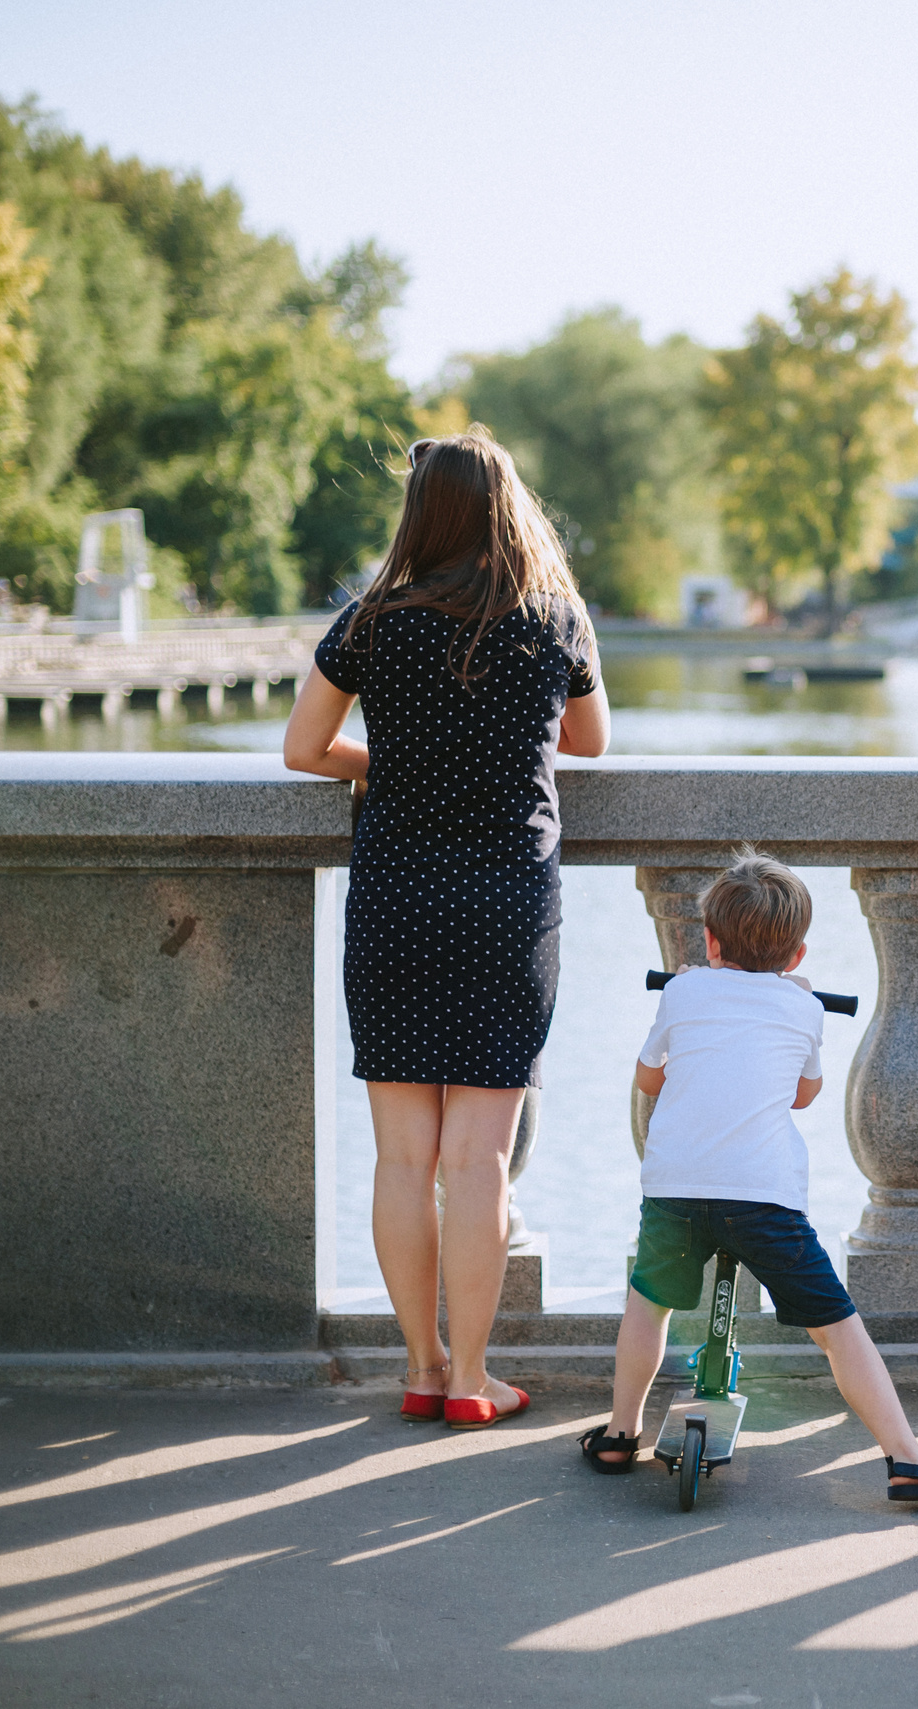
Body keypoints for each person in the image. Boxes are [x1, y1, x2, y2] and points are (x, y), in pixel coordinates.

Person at [284, 430, 611, 1428]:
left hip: (396, 897)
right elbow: (589, 741)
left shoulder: (373, 616)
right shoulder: (550, 614)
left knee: (401, 1158)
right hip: (507, 900)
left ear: (420, 512)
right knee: (477, 1160)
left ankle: (421, 1364)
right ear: (507, 507)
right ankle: (474, 1378)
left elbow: (304, 748)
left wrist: (387, 763)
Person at [577, 853, 918, 1503]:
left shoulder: (684, 990)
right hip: (763, 1199)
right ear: (797, 955)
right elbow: (804, 1094)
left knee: (649, 1302)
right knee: (836, 1325)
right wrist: (797, 1009)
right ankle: (908, 1458)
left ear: (709, 940)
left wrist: (690, 993)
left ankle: (620, 1431)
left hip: (676, 1191)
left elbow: (648, 1078)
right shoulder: (801, 1008)